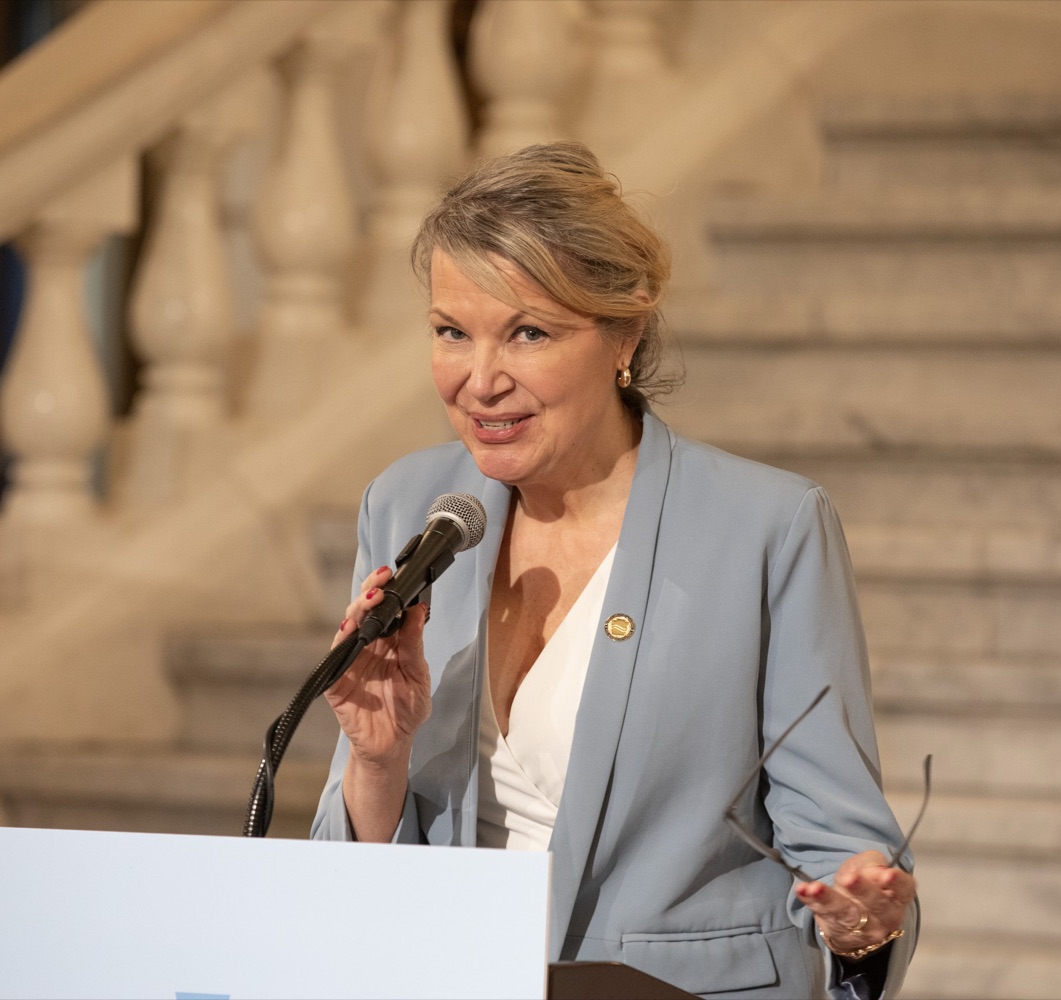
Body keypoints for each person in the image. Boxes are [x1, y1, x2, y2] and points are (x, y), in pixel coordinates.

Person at [310, 141, 918, 999]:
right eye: (452, 332)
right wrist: (378, 761)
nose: (479, 381)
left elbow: (842, 843)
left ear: (624, 332)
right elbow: (352, 870)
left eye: (528, 333)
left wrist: (861, 921)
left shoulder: (766, 528)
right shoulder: (410, 504)